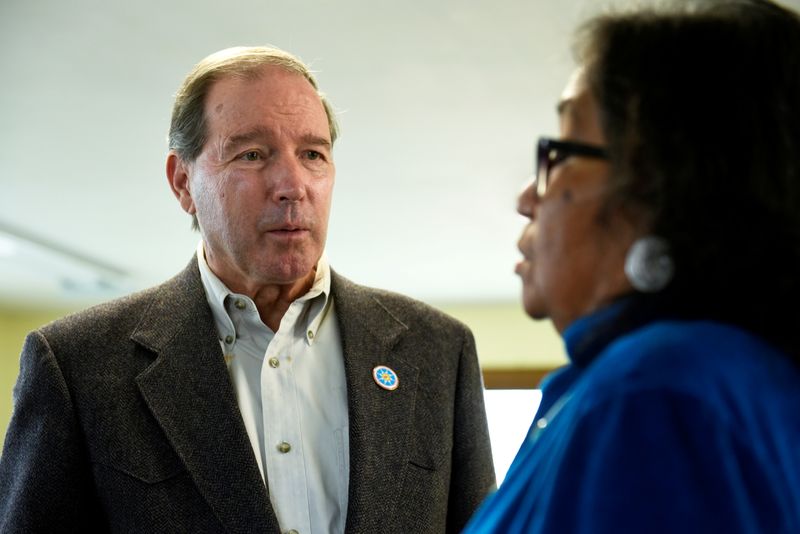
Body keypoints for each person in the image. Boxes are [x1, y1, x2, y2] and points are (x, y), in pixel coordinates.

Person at [0, 46, 495, 533]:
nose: (292, 184)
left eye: (312, 154)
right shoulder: (78, 366)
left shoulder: (437, 351)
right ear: (183, 183)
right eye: (252, 154)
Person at [464, 0, 800, 532]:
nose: (528, 197)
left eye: (560, 154)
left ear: (658, 188)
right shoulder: (685, 382)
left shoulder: (657, 394)